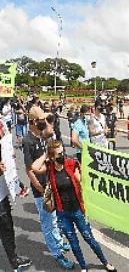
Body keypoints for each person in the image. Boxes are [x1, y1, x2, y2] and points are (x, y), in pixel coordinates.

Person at [31, 140, 116, 272]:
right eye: (59, 153)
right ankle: (83, 267)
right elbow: (35, 167)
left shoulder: (71, 164)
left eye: (63, 151)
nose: (62, 155)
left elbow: (81, 181)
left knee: (89, 238)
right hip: (62, 213)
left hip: (77, 210)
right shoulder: (49, 168)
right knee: (74, 243)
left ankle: (105, 262)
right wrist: (45, 155)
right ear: (52, 156)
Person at [23, 106, 74, 269]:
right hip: (40, 189)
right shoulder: (28, 141)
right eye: (40, 121)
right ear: (32, 122)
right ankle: (56, 253)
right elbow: (29, 169)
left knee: (54, 218)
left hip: (49, 183)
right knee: (47, 223)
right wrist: (39, 189)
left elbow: (51, 131)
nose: (43, 123)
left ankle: (59, 242)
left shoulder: (41, 137)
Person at [0, 156, 31, 271]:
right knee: (5, 229)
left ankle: (14, 260)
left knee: (7, 229)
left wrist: (19, 186)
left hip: (2, 196)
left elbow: (9, 171)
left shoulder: (3, 143)